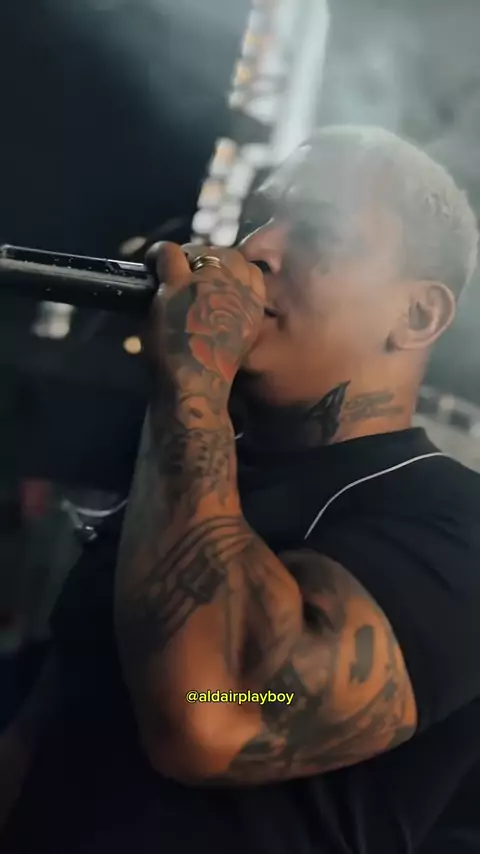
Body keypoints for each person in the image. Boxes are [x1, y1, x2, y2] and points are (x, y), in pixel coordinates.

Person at [2, 124, 480, 853]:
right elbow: (45, 735)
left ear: (417, 315)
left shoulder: (455, 524)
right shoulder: (188, 481)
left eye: (316, 230)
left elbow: (214, 709)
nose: (255, 248)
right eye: (256, 218)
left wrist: (192, 376)